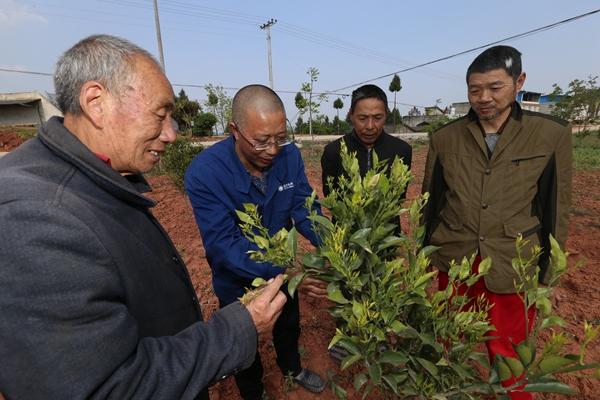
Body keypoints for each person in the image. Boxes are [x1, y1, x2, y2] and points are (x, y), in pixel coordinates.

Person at [0, 34, 288, 400]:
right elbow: (107, 387)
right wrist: (239, 328)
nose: (171, 134)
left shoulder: (96, 177)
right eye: (160, 114)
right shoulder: (35, 217)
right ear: (96, 102)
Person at [422, 45, 572, 400]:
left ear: (519, 82)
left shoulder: (550, 135)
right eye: (474, 90)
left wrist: (546, 274)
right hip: (455, 260)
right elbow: (432, 204)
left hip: (511, 264)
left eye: (495, 87)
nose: (483, 98)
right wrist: (425, 259)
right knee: (447, 341)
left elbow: (555, 208)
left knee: (509, 353)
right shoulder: (445, 138)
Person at [184, 84, 327, 400]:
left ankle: (292, 367)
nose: (273, 149)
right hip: (237, 279)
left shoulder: (289, 157)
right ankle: (253, 391)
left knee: (288, 324)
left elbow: (304, 207)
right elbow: (224, 245)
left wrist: (332, 244)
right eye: (261, 141)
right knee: (243, 340)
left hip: (284, 270)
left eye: (280, 137)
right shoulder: (205, 174)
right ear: (234, 130)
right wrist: (287, 271)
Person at [321, 84, 412, 198]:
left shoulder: (402, 150)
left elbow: (399, 196)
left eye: (377, 118)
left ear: (386, 116)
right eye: (362, 118)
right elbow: (331, 196)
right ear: (351, 115)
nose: (370, 126)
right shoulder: (333, 151)